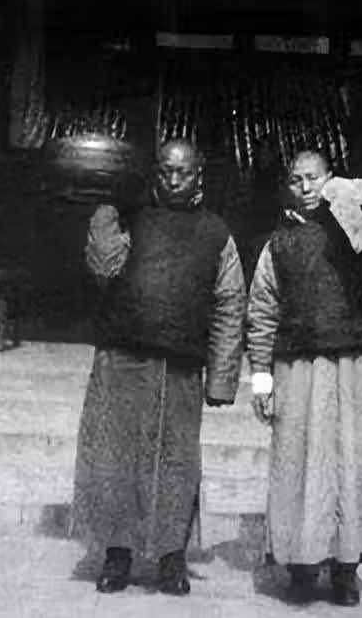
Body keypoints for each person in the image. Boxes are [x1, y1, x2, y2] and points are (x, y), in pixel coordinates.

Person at [71, 139, 247, 596]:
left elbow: (230, 304)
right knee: (116, 459)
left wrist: (223, 377)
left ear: (198, 176)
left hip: (179, 365)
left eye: (183, 172)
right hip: (122, 358)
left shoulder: (216, 232)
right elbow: (104, 268)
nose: (173, 180)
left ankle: (172, 558)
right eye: (166, 171)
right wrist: (108, 208)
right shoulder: (130, 218)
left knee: (176, 464)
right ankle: (117, 555)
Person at [246, 150, 362, 606]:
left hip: (356, 364)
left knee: (356, 464)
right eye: (296, 180)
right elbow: (261, 310)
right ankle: (301, 568)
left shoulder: (360, 233)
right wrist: (261, 377)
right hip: (299, 367)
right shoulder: (278, 244)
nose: (305, 188)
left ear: (332, 180)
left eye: (314, 178)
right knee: (299, 466)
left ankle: (347, 569)